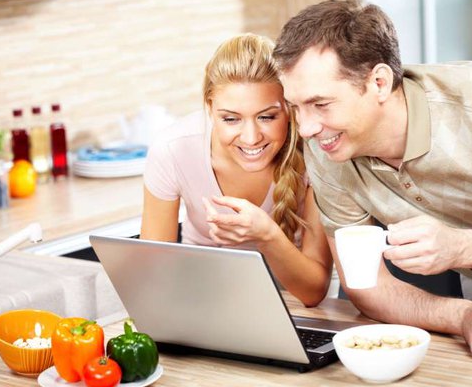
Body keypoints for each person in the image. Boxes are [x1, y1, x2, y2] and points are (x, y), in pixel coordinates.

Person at [273, 0, 472, 359]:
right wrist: (462, 315)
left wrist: (464, 246)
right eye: (296, 107)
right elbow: (366, 286)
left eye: (321, 104)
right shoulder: (327, 146)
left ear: (380, 82)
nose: (305, 128)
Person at [141, 34, 334, 307]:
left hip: (298, 304)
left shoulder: (316, 152)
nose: (251, 137)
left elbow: (313, 291)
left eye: (267, 116)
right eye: (231, 119)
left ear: (289, 109)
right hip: (208, 297)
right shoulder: (173, 150)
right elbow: (152, 270)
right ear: (210, 108)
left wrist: (266, 235)